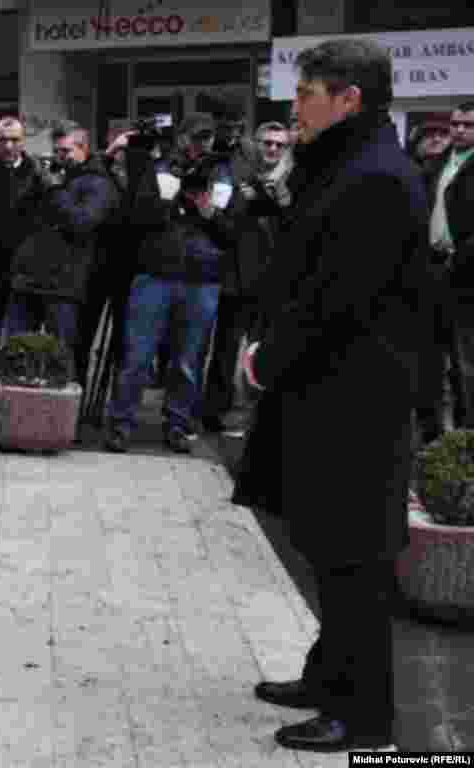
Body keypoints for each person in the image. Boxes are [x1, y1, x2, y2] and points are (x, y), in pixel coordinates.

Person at [233, 39, 429, 752]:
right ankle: (326, 675)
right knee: (325, 545)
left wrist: (265, 360)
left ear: (349, 98)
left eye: (307, 93)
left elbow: (338, 299)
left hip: (353, 399)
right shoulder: (343, 164)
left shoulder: (375, 176)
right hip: (324, 389)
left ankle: (363, 714)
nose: (295, 107)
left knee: (353, 561)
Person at [105, 113, 235, 454]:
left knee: (189, 360)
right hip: (155, 274)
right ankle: (121, 423)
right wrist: (172, 202)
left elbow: (233, 233)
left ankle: (178, 424)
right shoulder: (159, 166)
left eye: (206, 138)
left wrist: (209, 213)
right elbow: (136, 216)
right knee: (138, 354)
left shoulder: (223, 172)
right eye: (194, 137)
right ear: (181, 138)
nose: (200, 144)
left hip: (202, 277)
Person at [4, 121, 119, 375]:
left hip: (64, 285)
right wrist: (35, 182)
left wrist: (55, 188)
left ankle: (65, 413)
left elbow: (82, 222)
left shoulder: (99, 183)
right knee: (15, 352)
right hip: (29, 278)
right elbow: (18, 215)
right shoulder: (53, 176)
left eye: (65, 152)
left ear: (83, 148)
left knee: (62, 359)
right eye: (56, 151)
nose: (59, 157)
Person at [200, 121, 293, 432]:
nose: (272, 149)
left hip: (275, 282)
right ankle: (215, 412)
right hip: (237, 277)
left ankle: (258, 417)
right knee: (225, 351)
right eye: (267, 142)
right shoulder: (238, 177)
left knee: (264, 354)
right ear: (257, 144)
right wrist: (212, 213)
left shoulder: (294, 180)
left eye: (279, 144)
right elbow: (225, 225)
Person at [417, 103, 474, 441]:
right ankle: (431, 437)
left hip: (466, 276)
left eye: (468, 125)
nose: (459, 130)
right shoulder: (436, 164)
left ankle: (467, 441)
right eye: (456, 124)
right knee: (429, 361)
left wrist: (463, 253)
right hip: (432, 271)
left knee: (465, 365)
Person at [0, 117, 48, 365]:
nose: (8, 146)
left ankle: (16, 380)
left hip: (25, 266)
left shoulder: (36, 173)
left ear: (23, 141)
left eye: (14, 140)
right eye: (3, 140)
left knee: (22, 334)